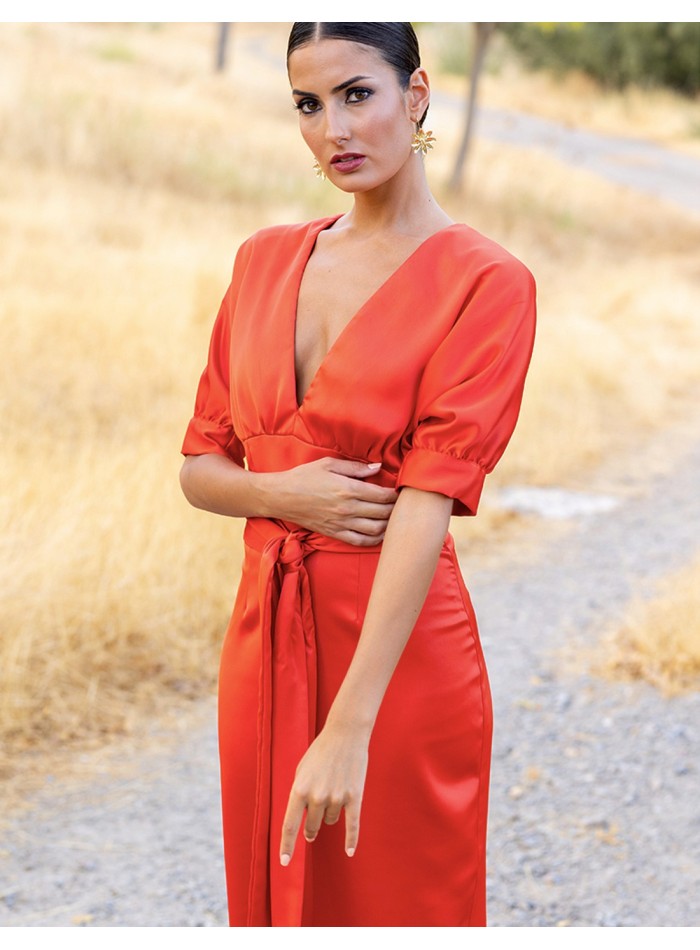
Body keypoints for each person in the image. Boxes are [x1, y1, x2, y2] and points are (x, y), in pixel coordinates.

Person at [179, 22, 536, 927]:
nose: (333, 127)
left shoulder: (487, 282)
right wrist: (276, 493)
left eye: (357, 94)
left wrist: (350, 726)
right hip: (264, 634)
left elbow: (424, 507)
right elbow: (199, 467)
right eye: (309, 104)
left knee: (400, 906)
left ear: (415, 95)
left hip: (398, 661)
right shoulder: (264, 261)